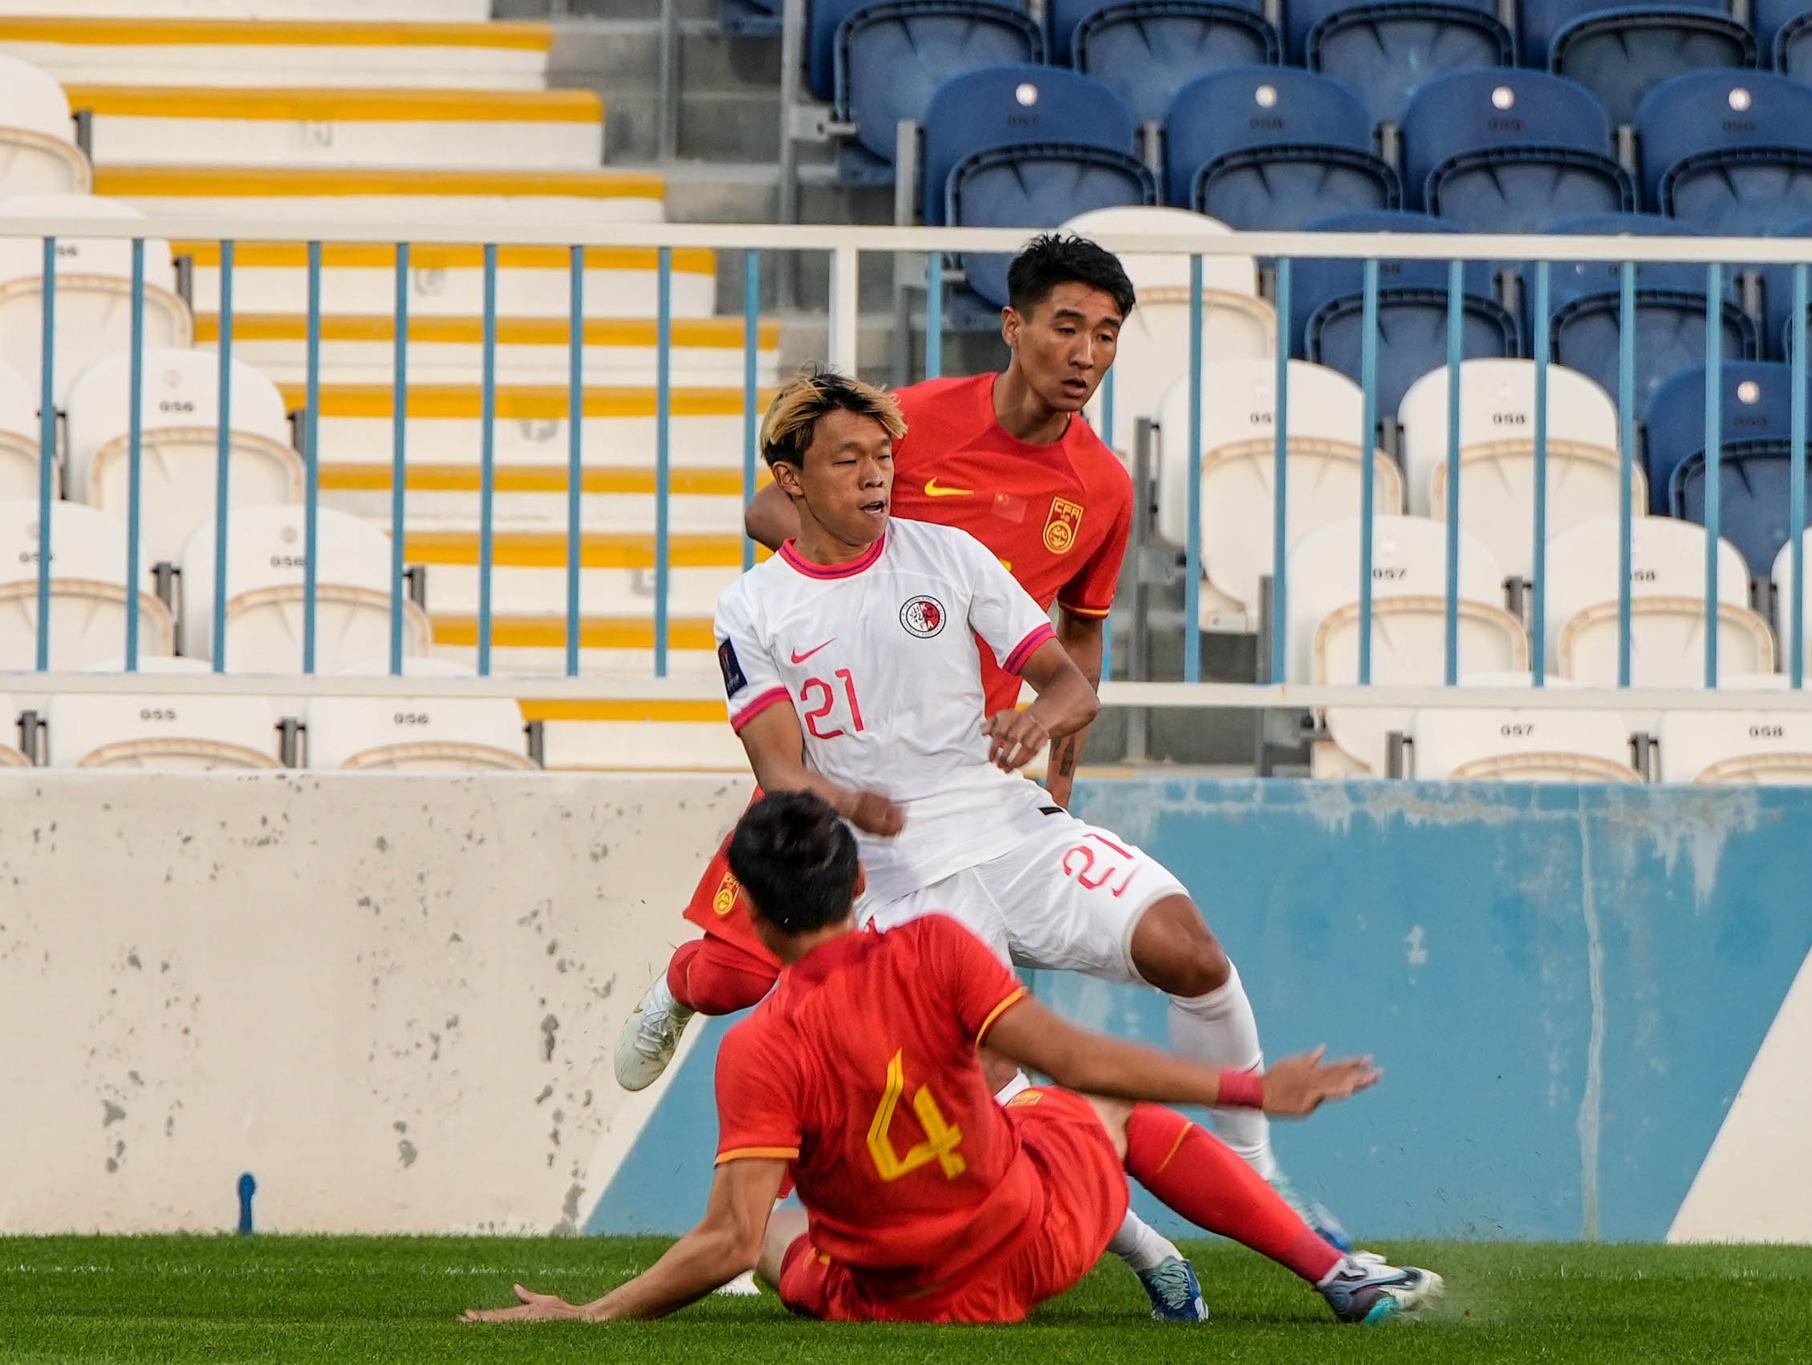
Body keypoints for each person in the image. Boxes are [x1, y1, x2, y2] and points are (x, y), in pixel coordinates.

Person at [618, 370, 1348, 1314]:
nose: (878, 477)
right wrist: (852, 800)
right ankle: (1150, 1250)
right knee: (983, 1085)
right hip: (888, 864)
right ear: (789, 479)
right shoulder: (752, 610)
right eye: (850, 461)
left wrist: (1039, 719)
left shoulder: (949, 555)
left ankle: (1261, 1178)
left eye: (885, 458)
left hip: (1003, 821)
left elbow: (1070, 680)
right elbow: (778, 772)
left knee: (1188, 946)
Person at [465, 792, 1443, 1327]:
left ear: (754, 919)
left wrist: (590, 1316)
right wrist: (1248, 1086)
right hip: (1034, 1245)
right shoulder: (935, 949)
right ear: (856, 883)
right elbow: (1081, 1060)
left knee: (767, 1232)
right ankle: (1331, 1275)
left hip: (900, 1303)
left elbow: (726, 1240)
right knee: (1093, 1113)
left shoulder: (757, 1047)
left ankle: (1161, 1265)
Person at [625, 232, 1142, 1059]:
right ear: (1012, 325)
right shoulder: (914, 423)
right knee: (735, 977)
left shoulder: (1104, 488)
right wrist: (875, 580)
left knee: (963, 1025)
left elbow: (1082, 635)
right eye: (1066, 327)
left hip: (962, 780)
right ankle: (678, 987)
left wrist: (1060, 784)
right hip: (846, 747)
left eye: (1106, 334)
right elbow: (767, 510)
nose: (1084, 355)